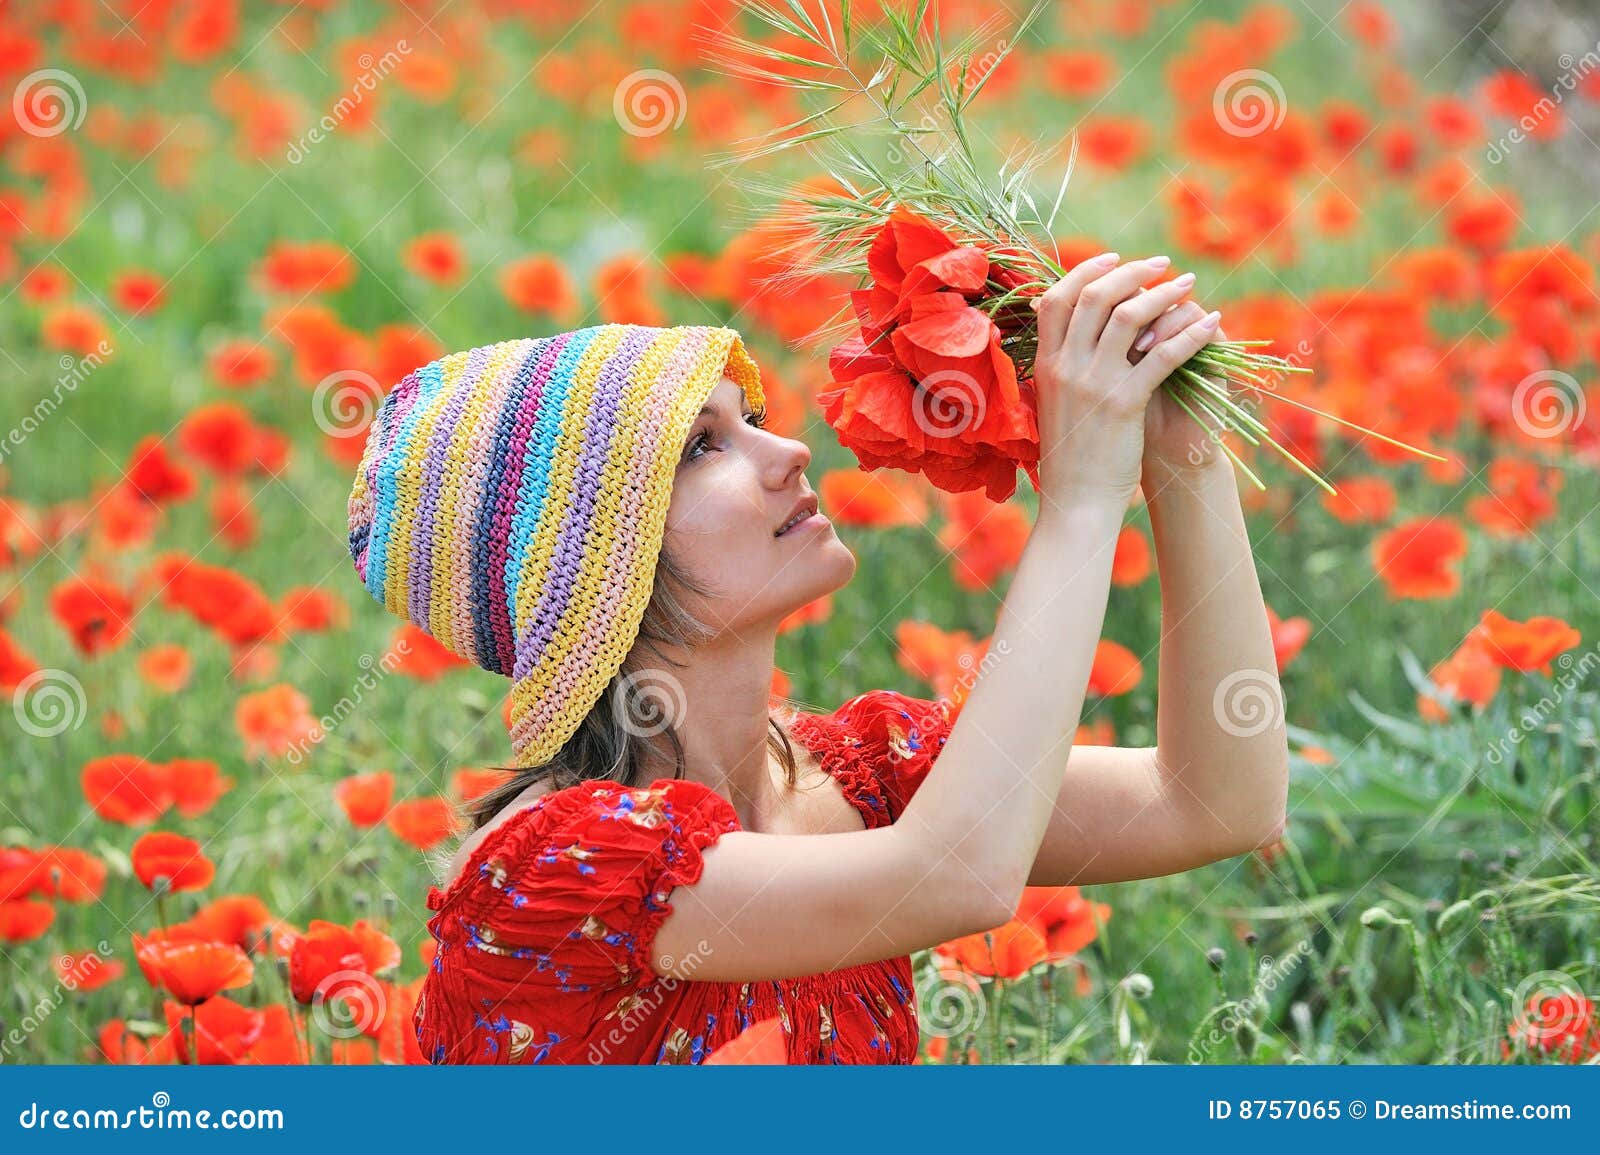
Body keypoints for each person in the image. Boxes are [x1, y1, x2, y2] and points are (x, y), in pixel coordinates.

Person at [345, 253, 1289, 1064]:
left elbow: (1216, 802)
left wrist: (1180, 451)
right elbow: (961, 874)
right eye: (703, 446)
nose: (788, 448)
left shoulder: (862, 775)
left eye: (747, 418)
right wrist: (1081, 499)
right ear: (590, 568)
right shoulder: (563, 866)